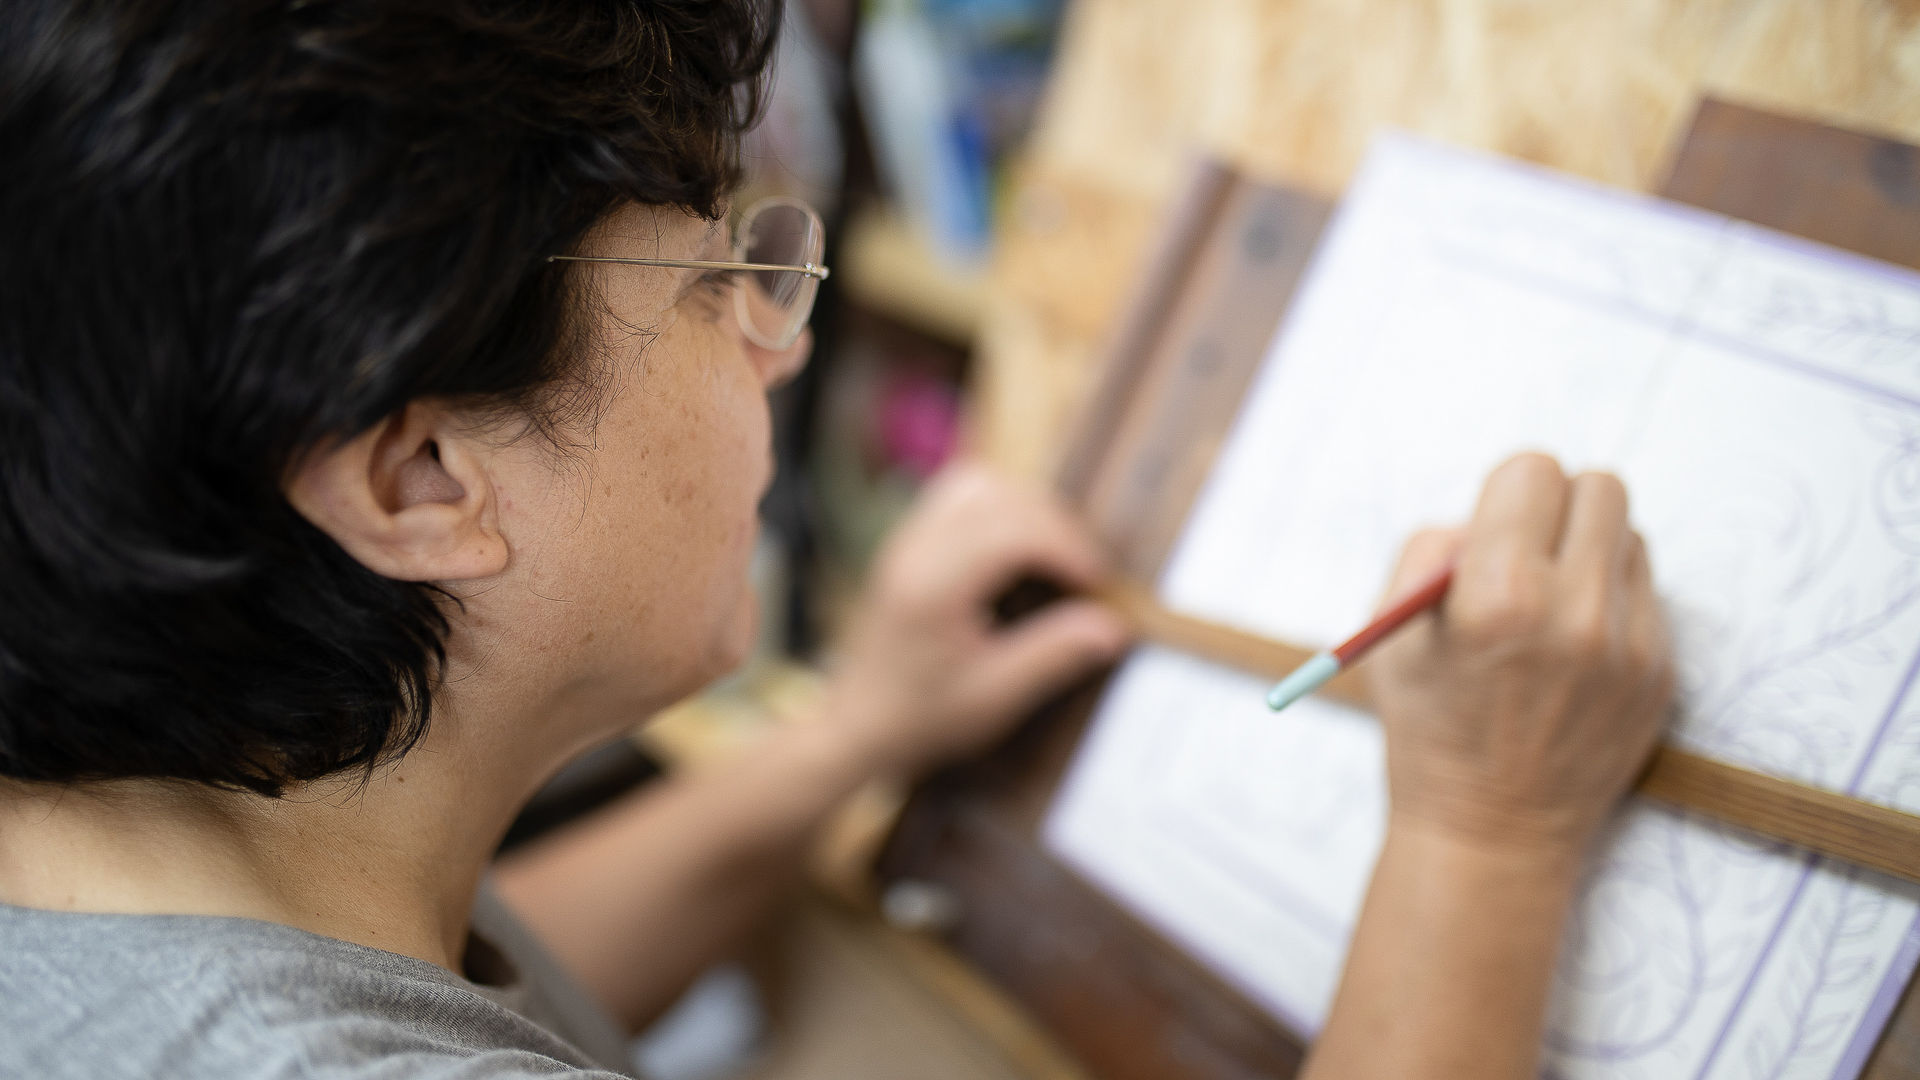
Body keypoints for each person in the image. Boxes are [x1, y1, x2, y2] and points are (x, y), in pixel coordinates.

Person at [0, 2, 1673, 1078]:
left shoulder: (165, 864)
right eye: (721, 276)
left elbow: (454, 977)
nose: (781, 344)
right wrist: (1490, 834)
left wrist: (859, 735)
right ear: (425, 474)